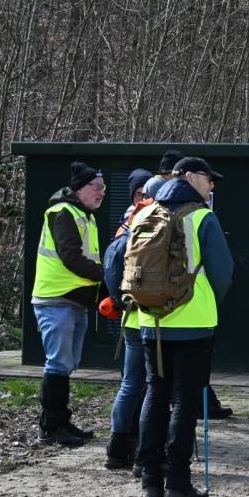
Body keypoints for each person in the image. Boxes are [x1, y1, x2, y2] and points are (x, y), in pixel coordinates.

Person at [135, 157, 233, 497]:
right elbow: (223, 272)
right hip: (193, 323)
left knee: (155, 396)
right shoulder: (202, 217)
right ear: (190, 177)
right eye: (209, 179)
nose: (211, 187)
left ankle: (150, 483)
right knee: (185, 401)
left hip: (151, 322)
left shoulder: (144, 214)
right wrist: (208, 302)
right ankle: (178, 483)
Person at [30, 161, 106, 447]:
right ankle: (51, 427)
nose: (101, 193)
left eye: (103, 188)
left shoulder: (84, 215)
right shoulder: (63, 212)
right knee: (58, 364)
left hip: (73, 301)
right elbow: (71, 258)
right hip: (57, 299)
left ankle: (60, 421)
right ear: (80, 189)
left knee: (66, 364)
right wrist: (106, 275)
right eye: (96, 187)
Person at [101, 167, 153, 469]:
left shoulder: (123, 229)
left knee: (130, 384)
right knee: (152, 387)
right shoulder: (153, 227)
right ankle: (144, 453)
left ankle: (118, 447)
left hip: (129, 319)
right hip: (152, 319)